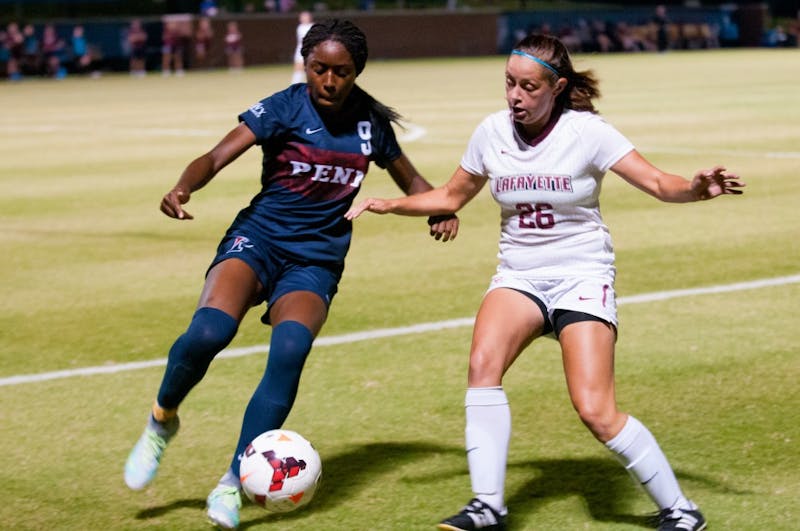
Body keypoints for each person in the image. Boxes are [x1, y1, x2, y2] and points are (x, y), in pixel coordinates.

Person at [345, 33, 744, 531]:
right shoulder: (491, 132)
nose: (515, 95)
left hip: (581, 275)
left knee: (596, 411)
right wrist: (389, 203)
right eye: (509, 83)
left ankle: (681, 510)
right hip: (520, 276)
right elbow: (451, 195)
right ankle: (486, 507)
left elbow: (660, 184)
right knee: (482, 366)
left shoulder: (588, 133)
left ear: (556, 87)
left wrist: (695, 188)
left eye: (528, 86)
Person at [123, 18, 458, 530]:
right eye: (319, 68)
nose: (328, 80)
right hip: (258, 241)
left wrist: (439, 206)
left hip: (316, 260)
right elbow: (215, 155)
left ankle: (233, 482)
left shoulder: (370, 124)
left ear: (356, 72)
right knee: (209, 332)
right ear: (305, 66)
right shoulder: (284, 106)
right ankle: (161, 419)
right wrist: (182, 188)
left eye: (340, 72)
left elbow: (410, 177)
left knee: (290, 352)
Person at [291, 10, 313, 84]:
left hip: (311, 51)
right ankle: (294, 84)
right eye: (303, 17)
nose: (304, 18)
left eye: (306, 16)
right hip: (301, 51)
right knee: (298, 68)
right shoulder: (300, 27)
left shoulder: (312, 26)